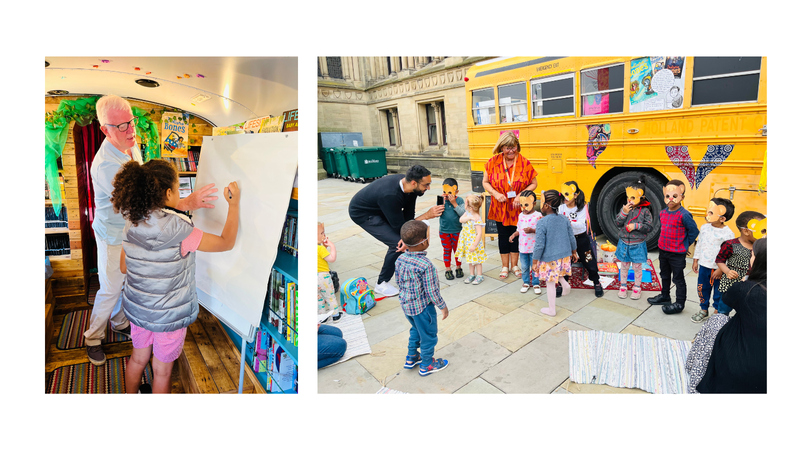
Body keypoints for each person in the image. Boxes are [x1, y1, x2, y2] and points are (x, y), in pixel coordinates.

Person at [85, 95, 218, 366]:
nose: (130, 129)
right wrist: (184, 203)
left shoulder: (129, 145)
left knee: (130, 281)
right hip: (114, 233)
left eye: (131, 121)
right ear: (105, 130)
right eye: (121, 126)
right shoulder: (105, 165)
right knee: (112, 287)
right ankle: (92, 337)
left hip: (131, 230)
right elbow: (141, 202)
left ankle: (119, 321)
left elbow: (147, 190)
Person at [111, 159, 240, 394]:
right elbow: (226, 243)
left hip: (139, 310)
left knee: (138, 359)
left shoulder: (132, 221)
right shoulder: (182, 230)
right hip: (169, 318)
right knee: (162, 371)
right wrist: (234, 205)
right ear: (168, 192)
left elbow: (123, 267)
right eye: (179, 187)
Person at [348, 165, 444, 297]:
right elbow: (401, 229)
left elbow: (409, 218)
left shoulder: (412, 189)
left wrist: (420, 219)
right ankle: (381, 283)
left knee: (405, 239)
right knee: (398, 244)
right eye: (426, 185)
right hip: (363, 213)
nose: (428, 188)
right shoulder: (390, 195)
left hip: (380, 208)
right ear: (414, 182)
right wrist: (426, 216)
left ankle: (404, 271)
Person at [687, 237, 766, 394]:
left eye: (752, 254)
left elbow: (728, 298)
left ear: (758, 260)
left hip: (739, 371)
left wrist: (746, 281)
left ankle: (695, 369)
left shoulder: (746, 289)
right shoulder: (730, 244)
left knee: (717, 319)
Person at [395, 220, 450, 376]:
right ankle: (427, 364)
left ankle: (412, 356)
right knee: (428, 335)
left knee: (416, 330)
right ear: (422, 243)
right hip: (423, 308)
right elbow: (432, 291)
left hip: (407, 306)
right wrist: (442, 306)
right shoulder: (425, 265)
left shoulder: (400, 259)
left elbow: (398, 282)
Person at [482, 132, 538, 280]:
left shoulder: (524, 162)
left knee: (517, 235)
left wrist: (521, 195)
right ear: (501, 148)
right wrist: (494, 193)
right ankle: (504, 266)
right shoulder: (493, 162)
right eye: (507, 148)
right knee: (503, 236)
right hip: (500, 206)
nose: (511, 151)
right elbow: (485, 182)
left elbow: (534, 183)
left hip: (518, 207)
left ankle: (515, 265)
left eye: (513, 147)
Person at [647, 179, 699, 314]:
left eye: (675, 196)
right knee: (664, 275)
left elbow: (694, 231)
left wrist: (686, 244)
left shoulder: (684, 215)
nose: (670, 199)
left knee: (678, 279)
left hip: (677, 254)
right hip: (663, 251)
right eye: (667, 196)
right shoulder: (663, 213)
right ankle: (665, 296)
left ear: (682, 197)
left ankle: (680, 303)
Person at [531, 190, 578, 317]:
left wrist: (535, 261)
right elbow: (571, 237)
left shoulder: (542, 222)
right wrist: (574, 252)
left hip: (549, 257)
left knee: (550, 282)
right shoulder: (564, 219)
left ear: (546, 206)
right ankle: (565, 285)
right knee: (557, 273)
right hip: (564, 255)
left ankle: (552, 309)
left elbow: (539, 244)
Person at [690, 198, 736, 322]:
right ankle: (703, 310)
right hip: (703, 266)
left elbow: (729, 254)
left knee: (718, 292)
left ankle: (716, 312)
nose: (707, 215)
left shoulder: (728, 234)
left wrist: (722, 269)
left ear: (722, 218)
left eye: (711, 213)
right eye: (708, 211)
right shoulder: (704, 228)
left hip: (717, 270)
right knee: (702, 289)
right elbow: (699, 244)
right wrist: (695, 259)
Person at [558, 181, 603, 297]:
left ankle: (596, 281)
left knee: (588, 259)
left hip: (581, 239)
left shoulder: (582, 208)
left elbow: (581, 225)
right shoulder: (561, 207)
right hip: (566, 239)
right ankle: (563, 282)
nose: (565, 197)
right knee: (565, 261)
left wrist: (569, 223)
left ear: (576, 195)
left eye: (567, 194)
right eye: (563, 194)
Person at [613, 175, 654, 300]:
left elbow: (649, 227)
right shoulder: (625, 208)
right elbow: (618, 223)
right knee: (624, 266)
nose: (629, 200)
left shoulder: (645, 211)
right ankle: (623, 286)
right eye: (628, 197)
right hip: (624, 243)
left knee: (637, 267)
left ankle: (637, 287)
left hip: (638, 244)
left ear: (641, 197)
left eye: (633, 197)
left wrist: (636, 226)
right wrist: (624, 212)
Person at [713, 210, 765, 307]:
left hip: (750, 285)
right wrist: (727, 271)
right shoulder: (730, 244)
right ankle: (719, 314)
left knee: (745, 308)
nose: (765, 234)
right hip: (730, 283)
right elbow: (720, 260)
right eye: (762, 231)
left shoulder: (762, 246)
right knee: (724, 308)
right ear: (746, 231)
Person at [509, 190, 543, 294]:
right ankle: (526, 282)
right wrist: (514, 234)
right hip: (523, 247)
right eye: (521, 204)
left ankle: (536, 283)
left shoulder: (538, 215)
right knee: (524, 266)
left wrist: (533, 230)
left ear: (534, 203)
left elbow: (542, 230)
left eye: (526, 204)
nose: (524, 207)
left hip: (534, 247)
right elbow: (519, 229)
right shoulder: (520, 215)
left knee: (535, 266)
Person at [454, 195, 487, 285]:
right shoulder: (468, 214)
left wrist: (474, 245)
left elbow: (479, 233)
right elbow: (461, 220)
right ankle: (472, 274)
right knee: (470, 260)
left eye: (466, 203)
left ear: (470, 207)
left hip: (473, 242)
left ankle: (479, 275)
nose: (464, 205)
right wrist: (469, 218)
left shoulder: (477, 219)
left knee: (477, 260)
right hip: (467, 241)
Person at [439, 178, 466, 280]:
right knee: (447, 250)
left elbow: (462, 214)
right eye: (444, 191)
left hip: (456, 230)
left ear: (456, 191)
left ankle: (458, 267)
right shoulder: (442, 200)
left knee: (457, 250)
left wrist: (454, 203)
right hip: (444, 231)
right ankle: (448, 269)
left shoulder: (460, 200)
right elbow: (437, 214)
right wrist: (441, 204)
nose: (446, 194)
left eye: (449, 192)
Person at [317, 222, 341, 323]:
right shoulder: (320, 248)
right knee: (330, 297)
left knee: (318, 299)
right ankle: (335, 315)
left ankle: (322, 317)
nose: (324, 235)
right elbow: (331, 258)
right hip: (323, 277)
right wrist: (332, 246)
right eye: (322, 233)